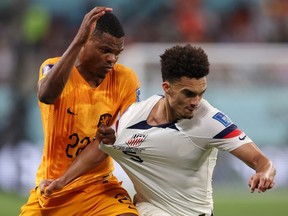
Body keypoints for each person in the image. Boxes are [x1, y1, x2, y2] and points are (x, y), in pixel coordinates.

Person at [40, 45, 276, 216]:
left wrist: (264, 173)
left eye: (201, 93)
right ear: (167, 88)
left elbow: (260, 160)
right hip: (149, 209)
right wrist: (62, 181)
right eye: (188, 93)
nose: (196, 101)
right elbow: (100, 149)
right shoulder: (135, 115)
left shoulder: (209, 120)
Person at [20, 6, 141, 216]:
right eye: (105, 50)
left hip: (99, 187)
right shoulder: (54, 68)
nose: (112, 59)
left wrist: (116, 138)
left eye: (117, 53)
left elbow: (131, 133)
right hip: (52, 188)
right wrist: (77, 41)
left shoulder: (125, 79)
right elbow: (46, 95)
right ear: (85, 42)